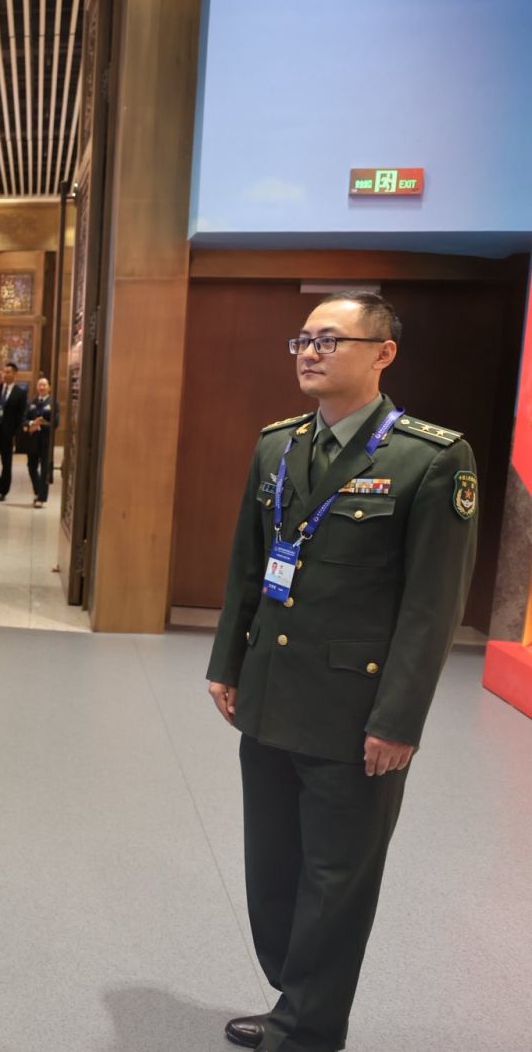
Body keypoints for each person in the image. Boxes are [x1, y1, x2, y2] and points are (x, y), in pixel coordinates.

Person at [206, 291, 478, 1052]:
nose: (310, 352)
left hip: (354, 712)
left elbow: (433, 608)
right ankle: (295, 998)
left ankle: (307, 1030)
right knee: (273, 870)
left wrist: (399, 720)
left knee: (335, 882)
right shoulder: (279, 444)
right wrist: (228, 661)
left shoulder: (430, 458)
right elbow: (248, 563)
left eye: (330, 339)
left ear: (383, 353)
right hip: (269, 695)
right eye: (303, 339)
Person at [0, 362, 28, 500]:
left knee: (6, 463)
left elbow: (21, 415)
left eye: (8, 372)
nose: (5, 374)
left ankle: (3, 491)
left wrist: (16, 434)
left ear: (15, 374)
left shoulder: (20, 393)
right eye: (4, 372)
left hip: (8, 433)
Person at [21, 377, 56, 507]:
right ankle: (37, 491)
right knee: (31, 467)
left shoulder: (53, 403)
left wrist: (40, 425)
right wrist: (31, 423)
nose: (41, 387)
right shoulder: (32, 402)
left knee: (45, 469)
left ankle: (41, 498)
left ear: (49, 388)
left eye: (44, 385)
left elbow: (55, 423)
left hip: (45, 441)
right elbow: (24, 419)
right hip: (32, 441)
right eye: (39, 385)